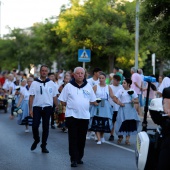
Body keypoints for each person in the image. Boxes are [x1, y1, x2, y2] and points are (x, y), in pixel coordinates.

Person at [58, 67, 97, 167]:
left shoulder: (88, 86)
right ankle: (73, 159)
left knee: (81, 138)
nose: (80, 75)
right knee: (73, 138)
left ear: (84, 75)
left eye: (81, 73)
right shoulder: (68, 86)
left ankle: (80, 157)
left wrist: (96, 102)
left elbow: (92, 100)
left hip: (84, 116)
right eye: (78, 73)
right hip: (72, 116)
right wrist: (70, 106)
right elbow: (62, 100)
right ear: (74, 75)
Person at [29, 65, 58, 153]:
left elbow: (54, 96)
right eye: (42, 71)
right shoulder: (34, 83)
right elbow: (31, 97)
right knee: (34, 126)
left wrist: (57, 107)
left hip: (47, 107)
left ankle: (43, 145)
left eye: (45, 71)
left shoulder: (52, 83)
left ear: (47, 72)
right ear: (40, 72)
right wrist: (30, 109)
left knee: (46, 127)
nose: (44, 72)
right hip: (37, 107)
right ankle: (36, 139)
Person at [89, 72, 114, 144]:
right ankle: (98, 139)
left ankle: (102, 136)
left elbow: (112, 96)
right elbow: (91, 96)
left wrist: (118, 101)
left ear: (105, 79)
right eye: (100, 78)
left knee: (104, 120)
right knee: (97, 119)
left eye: (102, 78)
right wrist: (94, 102)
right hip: (97, 104)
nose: (101, 79)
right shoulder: (95, 86)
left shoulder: (108, 87)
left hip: (105, 104)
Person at [113, 78, 140, 145]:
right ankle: (120, 136)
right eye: (122, 83)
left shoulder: (132, 91)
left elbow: (137, 100)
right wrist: (120, 103)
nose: (123, 84)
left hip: (130, 108)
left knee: (129, 123)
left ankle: (127, 139)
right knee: (120, 122)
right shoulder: (120, 91)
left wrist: (133, 101)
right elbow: (115, 98)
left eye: (124, 83)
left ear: (128, 84)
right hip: (122, 107)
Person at [108, 75, 123, 141]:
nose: (117, 82)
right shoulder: (109, 87)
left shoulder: (121, 87)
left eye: (119, 81)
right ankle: (112, 134)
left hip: (119, 106)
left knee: (119, 121)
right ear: (113, 79)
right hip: (111, 106)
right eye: (116, 80)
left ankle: (120, 133)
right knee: (113, 121)